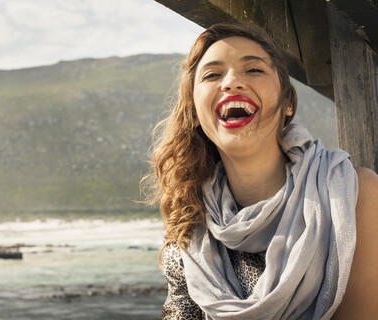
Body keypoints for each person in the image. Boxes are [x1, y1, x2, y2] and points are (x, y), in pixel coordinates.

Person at [142, 23, 378, 320]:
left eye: (253, 70)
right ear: (195, 112)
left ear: (288, 102)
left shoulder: (354, 195)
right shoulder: (191, 225)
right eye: (212, 75)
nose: (231, 82)